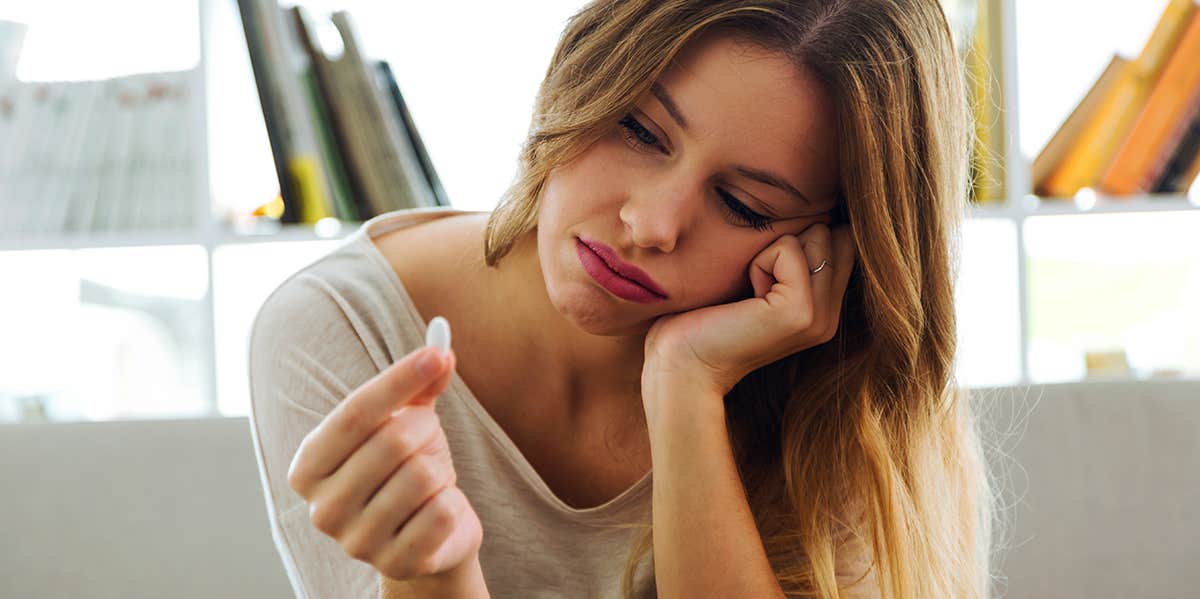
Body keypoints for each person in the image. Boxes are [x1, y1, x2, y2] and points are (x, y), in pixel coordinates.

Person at [247, 0, 997, 597]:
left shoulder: (840, 400)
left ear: (833, 251)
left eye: (742, 205)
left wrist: (685, 390)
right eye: (639, 129)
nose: (650, 223)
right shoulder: (343, 327)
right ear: (583, 72)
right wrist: (431, 574)